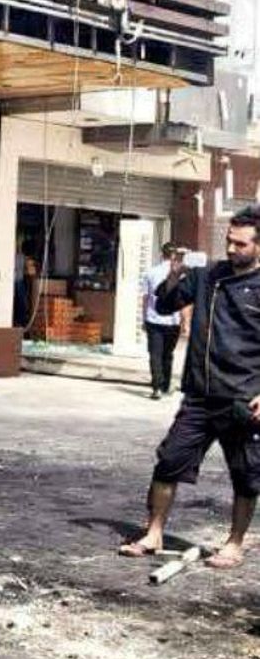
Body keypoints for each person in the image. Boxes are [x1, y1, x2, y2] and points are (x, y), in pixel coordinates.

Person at [118, 206, 260, 570]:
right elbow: (166, 303)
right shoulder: (208, 275)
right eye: (229, 241)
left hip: (243, 398)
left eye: (240, 244)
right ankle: (153, 534)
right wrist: (173, 275)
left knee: (246, 476)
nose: (230, 249)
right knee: (168, 462)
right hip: (199, 395)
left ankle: (234, 544)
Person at [141, 242, 184, 400]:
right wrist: (185, 322)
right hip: (173, 321)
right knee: (168, 354)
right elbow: (184, 301)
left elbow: (145, 298)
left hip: (153, 319)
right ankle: (165, 385)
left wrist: (144, 318)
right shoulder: (180, 275)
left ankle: (156, 387)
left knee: (155, 354)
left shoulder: (150, 272)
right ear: (174, 255)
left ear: (162, 254)